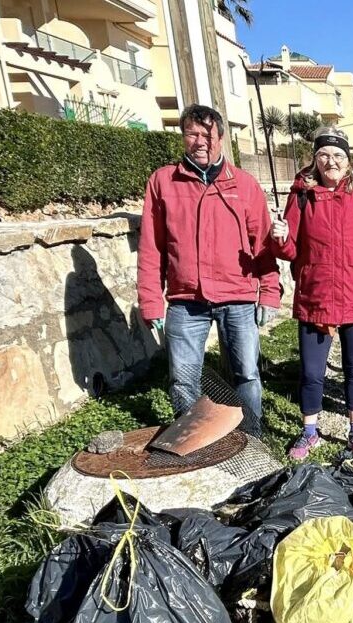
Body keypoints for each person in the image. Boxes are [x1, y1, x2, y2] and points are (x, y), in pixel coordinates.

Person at [137, 104, 278, 437]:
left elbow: (263, 244)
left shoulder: (244, 185)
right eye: (192, 134)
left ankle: (250, 438)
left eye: (207, 135)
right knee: (183, 379)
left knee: (246, 375)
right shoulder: (163, 182)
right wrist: (150, 301)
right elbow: (151, 247)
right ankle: (193, 442)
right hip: (186, 301)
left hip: (238, 297)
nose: (200, 142)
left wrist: (269, 293)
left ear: (221, 138)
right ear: (183, 137)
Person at [270, 126, 353, 459]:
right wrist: (279, 237)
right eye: (324, 155)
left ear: (348, 162)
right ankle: (310, 431)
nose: (331, 161)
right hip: (316, 297)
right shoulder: (301, 197)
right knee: (311, 371)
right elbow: (290, 250)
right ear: (315, 159)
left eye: (338, 155)